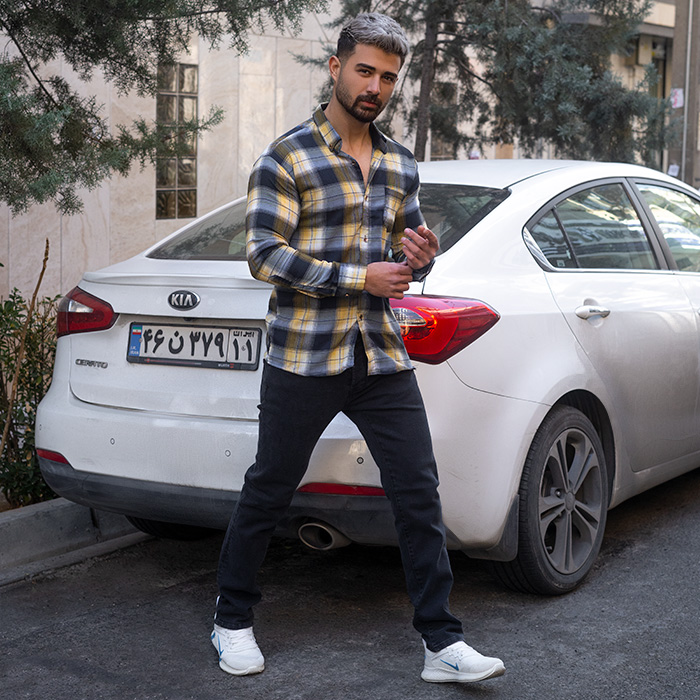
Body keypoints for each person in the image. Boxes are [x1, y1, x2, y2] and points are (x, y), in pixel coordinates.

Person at [211, 12, 505, 684]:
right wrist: (356, 278)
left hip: (380, 354)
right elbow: (262, 256)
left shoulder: (400, 163)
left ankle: (442, 643)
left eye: (388, 78)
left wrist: (421, 257)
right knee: (270, 487)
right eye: (365, 71)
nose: (375, 87)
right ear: (336, 68)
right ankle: (231, 618)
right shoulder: (287, 156)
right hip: (305, 356)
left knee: (418, 491)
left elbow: (404, 256)